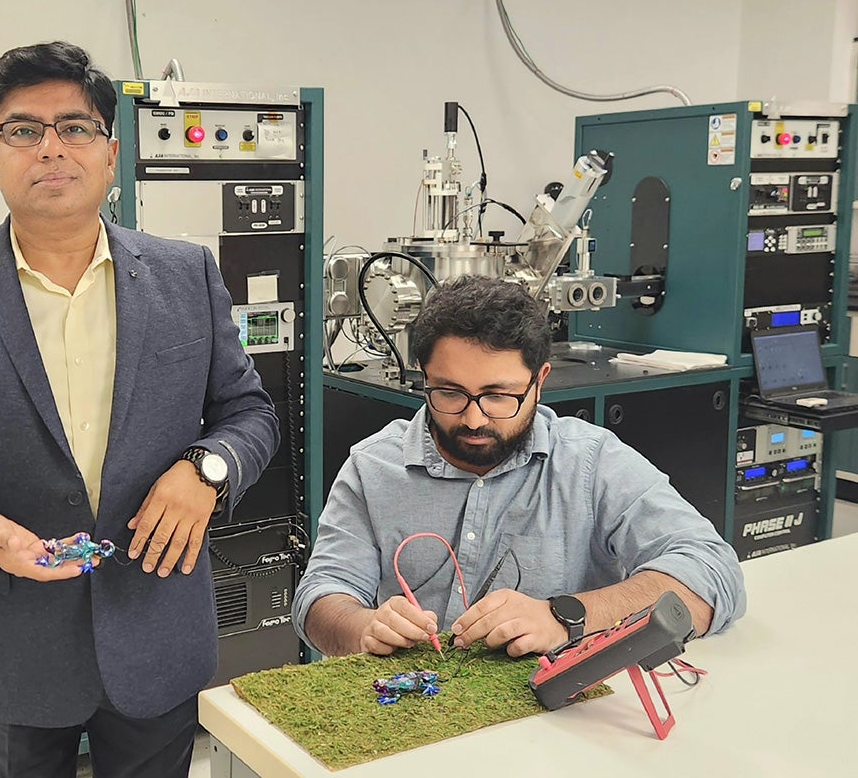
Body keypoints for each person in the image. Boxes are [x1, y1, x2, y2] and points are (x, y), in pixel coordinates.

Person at [0, 41, 278, 778]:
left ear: (111, 154)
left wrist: (205, 469)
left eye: (75, 128)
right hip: (10, 651)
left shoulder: (185, 275)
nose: (51, 148)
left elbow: (250, 414)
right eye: (23, 130)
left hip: (156, 634)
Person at [292, 275, 745, 659]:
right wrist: (362, 627)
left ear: (540, 382)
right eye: (449, 393)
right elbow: (318, 598)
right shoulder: (373, 467)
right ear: (422, 376)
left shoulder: (590, 462)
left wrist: (564, 616)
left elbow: (714, 572)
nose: (473, 418)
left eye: (498, 395)